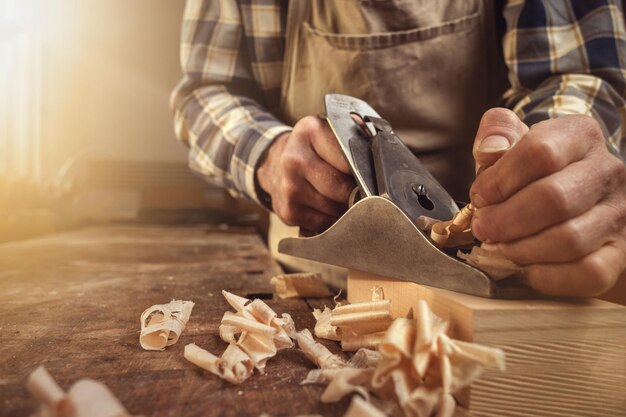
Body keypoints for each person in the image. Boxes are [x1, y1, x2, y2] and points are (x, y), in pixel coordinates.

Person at [170, 0, 626, 299]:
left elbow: (576, 73)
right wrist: (270, 154)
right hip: (316, 288)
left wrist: (542, 164)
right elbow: (207, 92)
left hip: (499, 272)